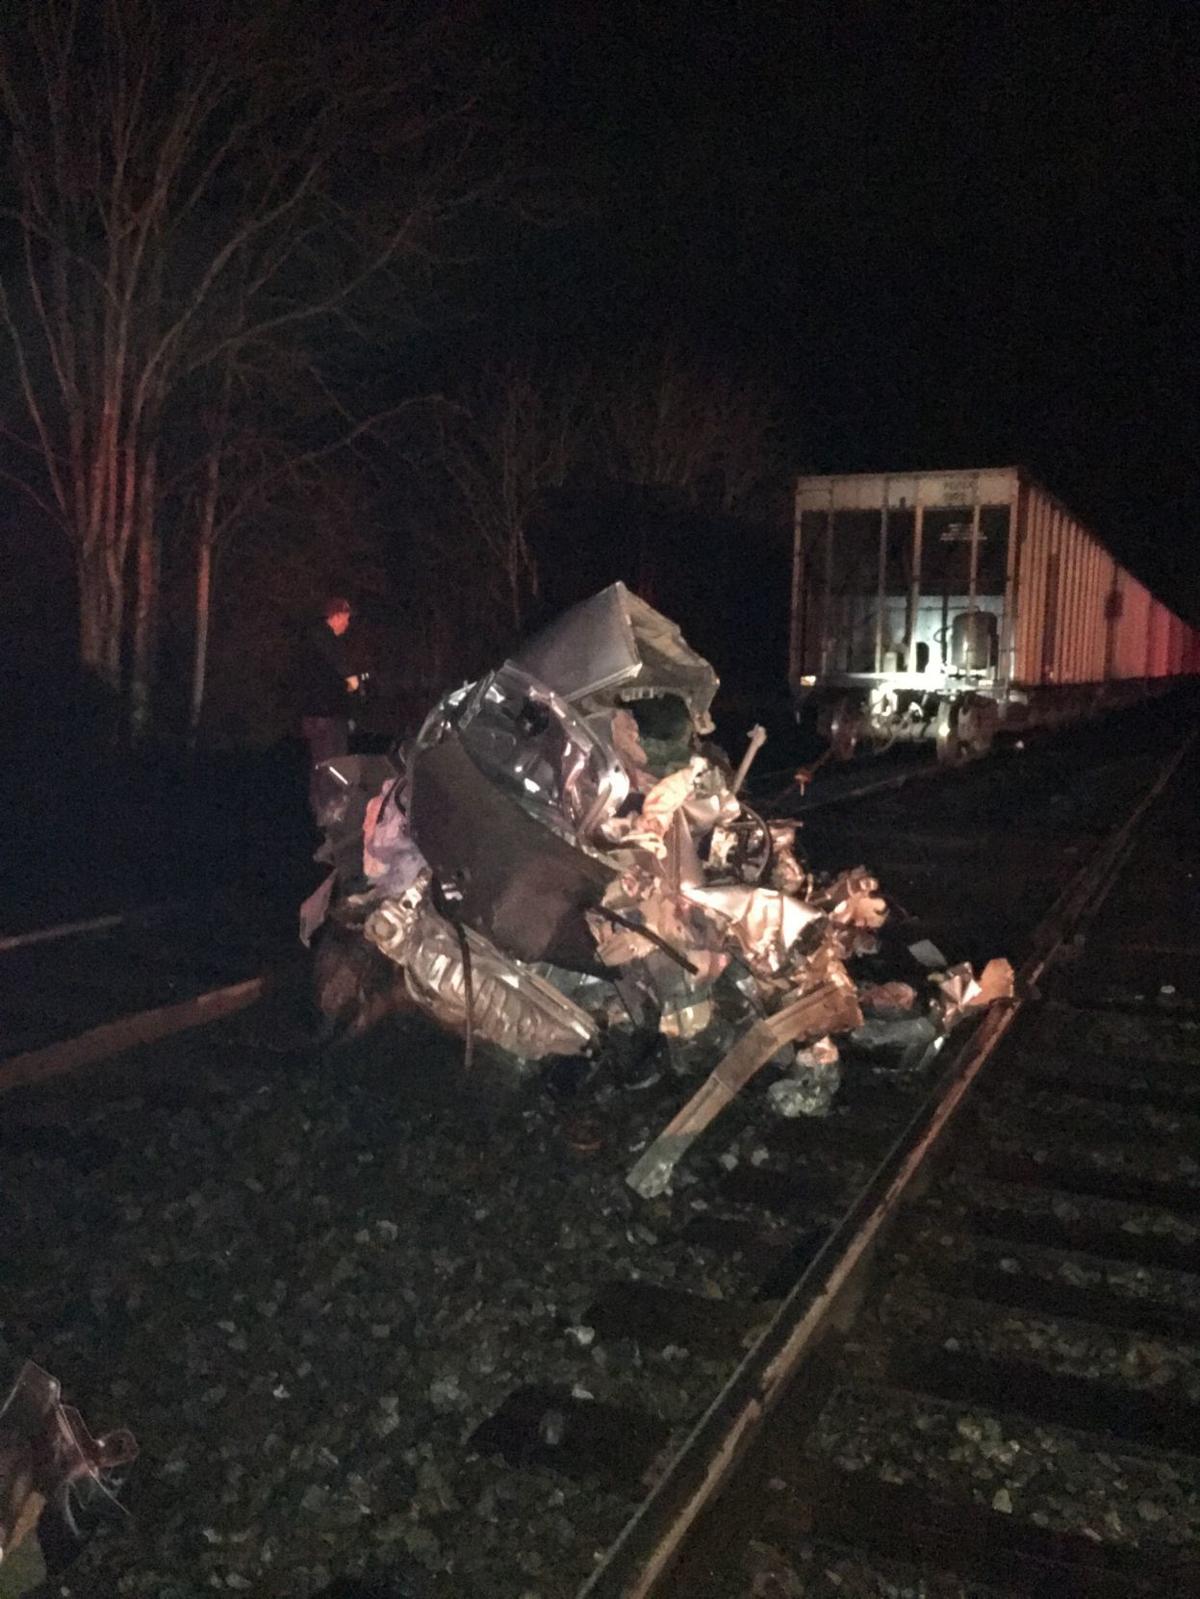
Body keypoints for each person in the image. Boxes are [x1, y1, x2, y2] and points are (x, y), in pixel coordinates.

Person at [298, 596, 364, 812]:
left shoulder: (316, 642)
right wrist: (352, 679)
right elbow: (341, 668)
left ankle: (319, 809)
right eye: (345, 618)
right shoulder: (324, 638)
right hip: (326, 715)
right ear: (336, 616)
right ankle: (330, 811)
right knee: (332, 763)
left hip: (318, 714)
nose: (347, 623)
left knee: (321, 763)